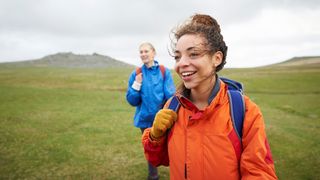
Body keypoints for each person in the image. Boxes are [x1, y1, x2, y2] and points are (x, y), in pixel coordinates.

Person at [142, 14, 278, 179]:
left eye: (193, 54)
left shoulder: (244, 111)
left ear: (217, 58)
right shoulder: (172, 107)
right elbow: (158, 159)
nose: (181, 63)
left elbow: (260, 173)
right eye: (177, 56)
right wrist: (155, 136)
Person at [126, 42, 176, 180]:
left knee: (172, 147)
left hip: (163, 119)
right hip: (145, 120)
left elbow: (170, 95)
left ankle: (177, 174)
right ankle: (153, 176)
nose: (143, 54)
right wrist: (137, 84)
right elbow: (132, 101)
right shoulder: (136, 74)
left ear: (153, 52)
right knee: (150, 148)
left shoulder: (163, 71)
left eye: (146, 51)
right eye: (141, 52)